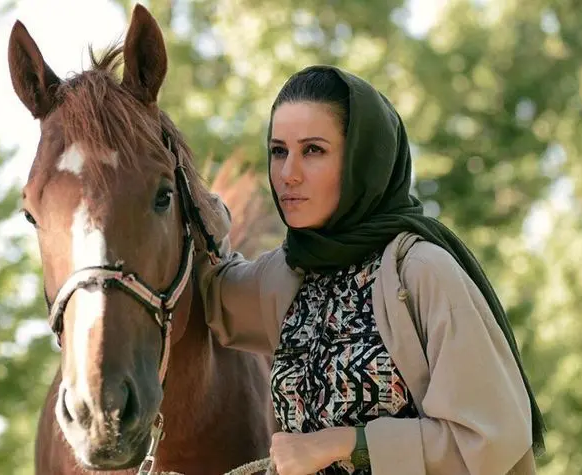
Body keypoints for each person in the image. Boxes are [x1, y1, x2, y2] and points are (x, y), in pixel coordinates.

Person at [194, 65, 546, 475]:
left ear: (361, 159)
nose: (288, 174)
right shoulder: (287, 274)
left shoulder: (421, 272)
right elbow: (203, 291)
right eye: (278, 151)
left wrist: (342, 444)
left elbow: (487, 440)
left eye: (313, 150)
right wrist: (192, 202)